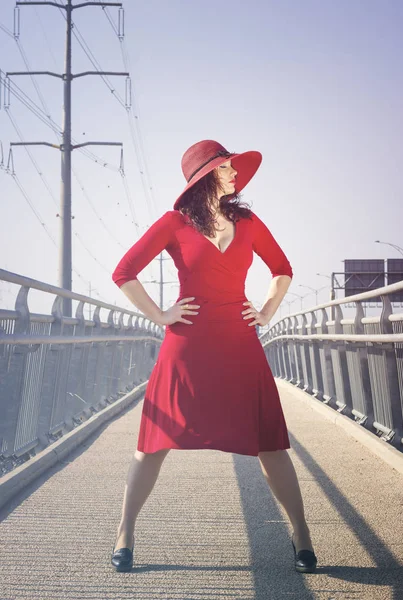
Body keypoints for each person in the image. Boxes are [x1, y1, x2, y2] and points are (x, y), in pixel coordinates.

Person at [110, 139, 317, 574]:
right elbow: (123, 273)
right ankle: (125, 534)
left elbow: (282, 269)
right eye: (227, 166)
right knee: (153, 445)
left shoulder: (248, 221)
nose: (236, 173)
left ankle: (301, 535)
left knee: (270, 443)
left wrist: (264, 312)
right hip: (186, 347)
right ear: (207, 174)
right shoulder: (174, 222)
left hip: (240, 344)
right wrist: (162, 315)